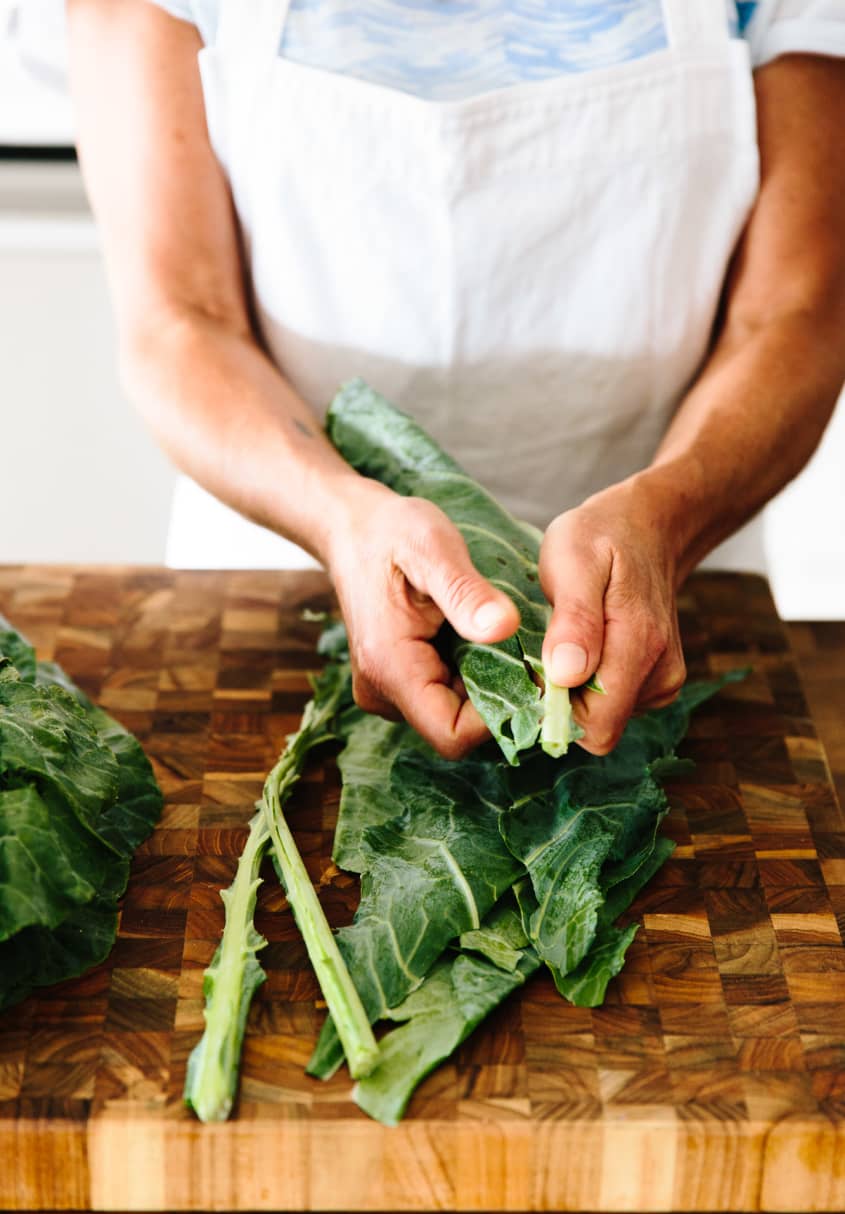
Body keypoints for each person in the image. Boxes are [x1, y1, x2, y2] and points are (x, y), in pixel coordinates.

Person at [67, 0, 845, 759]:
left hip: (675, 578)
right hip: (279, 568)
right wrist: (340, 524)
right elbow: (182, 318)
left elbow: (795, 313)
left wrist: (668, 521)